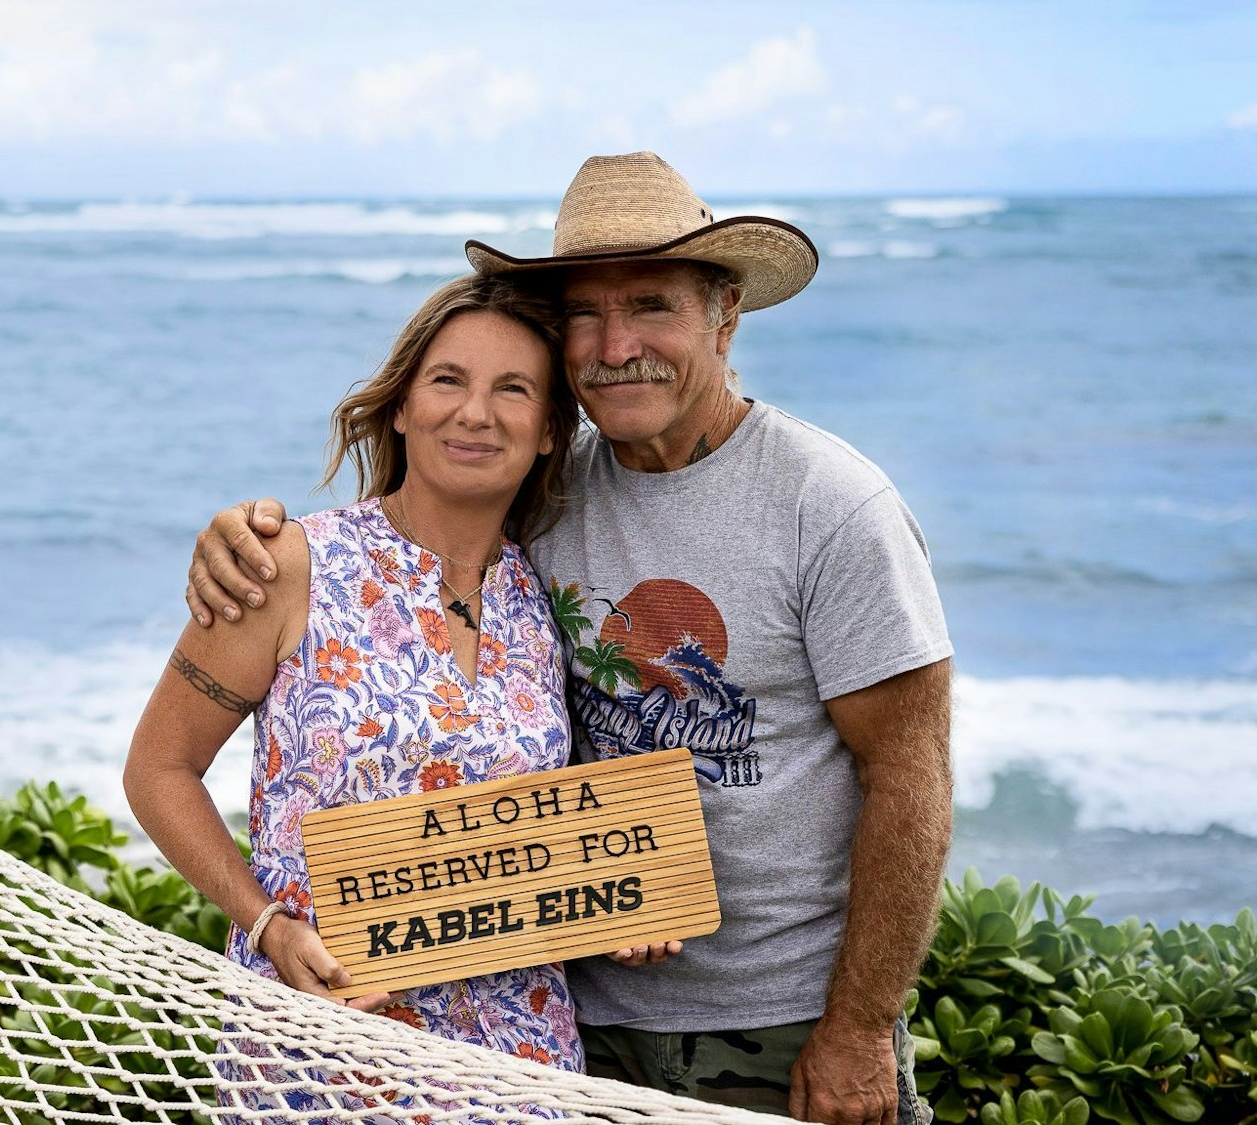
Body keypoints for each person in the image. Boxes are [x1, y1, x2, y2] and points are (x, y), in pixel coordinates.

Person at [184, 152, 954, 1125]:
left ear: (723, 313)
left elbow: (911, 776)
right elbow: (397, 563)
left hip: (779, 1024)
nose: (614, 343)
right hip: (570, 1018)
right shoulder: (541, 489)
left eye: (650, 306)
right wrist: (242, 541)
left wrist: (856, 1026)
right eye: (583, 314)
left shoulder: (832, 507)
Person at [124, 274, 595, 1116]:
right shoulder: (291, 566)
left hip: (520, 1064)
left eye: (513, 389)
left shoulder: (545, 592)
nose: (477, 413)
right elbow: (158, 768)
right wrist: (268, 928)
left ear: (551, 429)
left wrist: (628, 903)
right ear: (404, 405)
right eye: (448, 380)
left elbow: (556, 834)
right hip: (322, 1048)